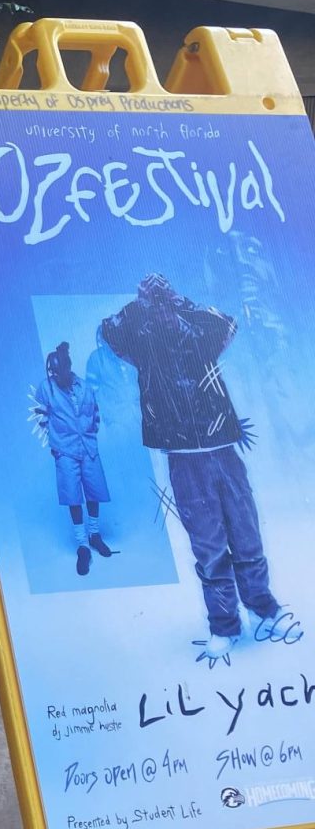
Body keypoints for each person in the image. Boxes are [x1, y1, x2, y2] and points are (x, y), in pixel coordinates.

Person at [99, 272, 298, 666]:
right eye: (154, 301)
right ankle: (224, 624)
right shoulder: (142, 340)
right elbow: (109, 331)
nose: (161, 308)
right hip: (182, 457)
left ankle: (264, 607)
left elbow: (227, 323)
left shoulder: (199, 335)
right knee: (208, 544)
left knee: (246, 533)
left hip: (224, 448)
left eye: (164, 299)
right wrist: (142, 305)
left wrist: (180, 302)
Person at [34, 342, 113, 577]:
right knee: (73, 496)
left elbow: (95, 414)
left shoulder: (85, 387)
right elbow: (40, 416)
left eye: (61, 372)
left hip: (88, 448)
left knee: (94, 491)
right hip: (65, 451)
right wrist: (56, 443)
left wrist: (90, 434)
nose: (57, 377)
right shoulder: (45, 388)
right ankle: (82, 546)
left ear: (68, 367)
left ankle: (95, 535)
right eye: (53, 373)